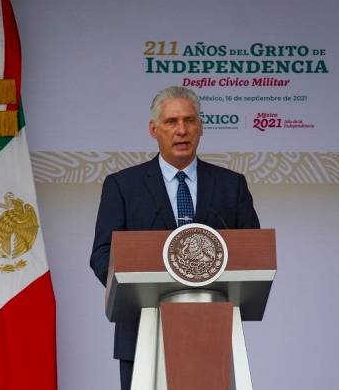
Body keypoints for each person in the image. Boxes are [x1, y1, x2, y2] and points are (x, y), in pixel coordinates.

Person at [90, 86, 260, 390]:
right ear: (153, 129)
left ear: (201, 127)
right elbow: (102, 255)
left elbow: (253, 254)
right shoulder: (122, 186)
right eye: (171, 122)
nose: (181, 130)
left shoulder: (230, 186)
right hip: (143, 331)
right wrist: (137, 289)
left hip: (213, 331)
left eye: (189, 120)